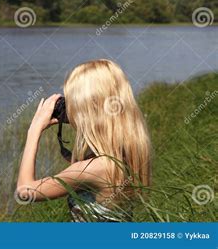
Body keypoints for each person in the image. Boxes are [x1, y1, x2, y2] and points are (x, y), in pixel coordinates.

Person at [16, 59, 151, 222]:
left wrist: (34, 129)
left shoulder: (90, 169)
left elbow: (24, 191)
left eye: (72, 103)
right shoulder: (127, 153)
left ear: (85, 112)